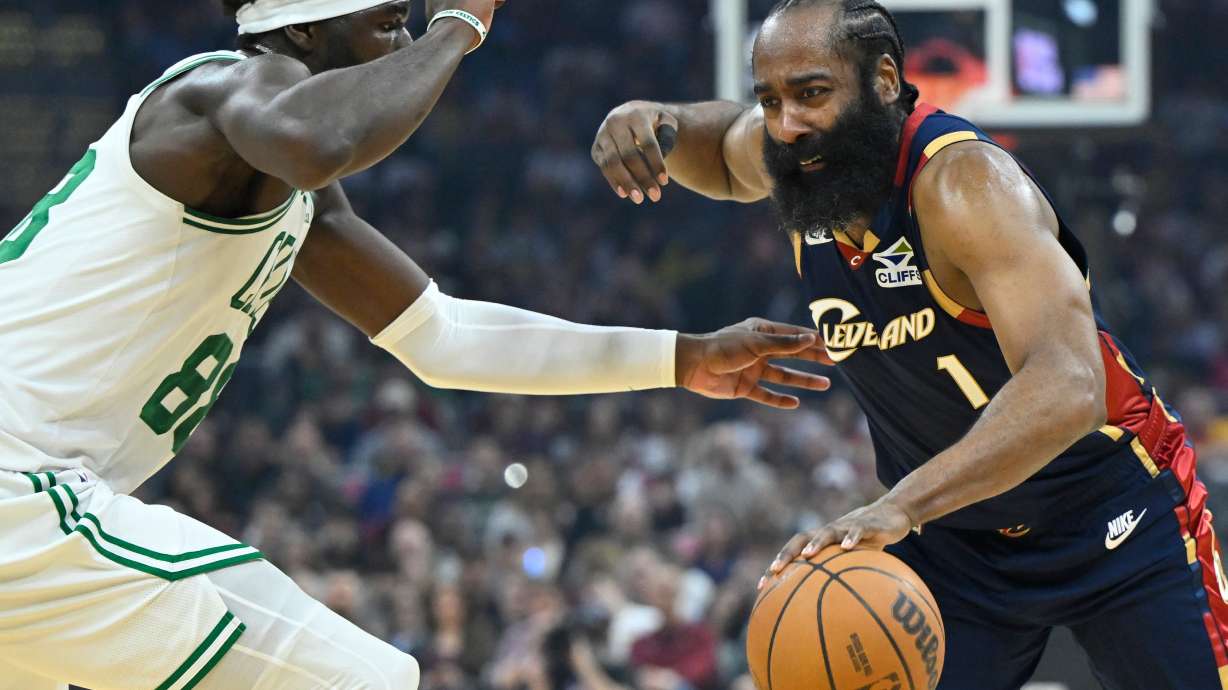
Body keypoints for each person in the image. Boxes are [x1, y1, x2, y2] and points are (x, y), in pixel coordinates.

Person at [0, 1, 836, 688]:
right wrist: (458, 29)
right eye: (389, 24)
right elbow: (319, 136)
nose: (403, 43)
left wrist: (679, 356)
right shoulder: (215, 96)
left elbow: (444, 336)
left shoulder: (290, 195)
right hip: (19, 491)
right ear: (301, 33)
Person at [591, 1, 1228, 688]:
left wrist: (902, 505)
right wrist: (657, 119)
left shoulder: (966, 187)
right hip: (958, 544)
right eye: (770, 101)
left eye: (811, 93)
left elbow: (1071, 385)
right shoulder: (796, 158)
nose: (787, 124)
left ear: (885, 80)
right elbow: (719, 150)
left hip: (1111, 515)